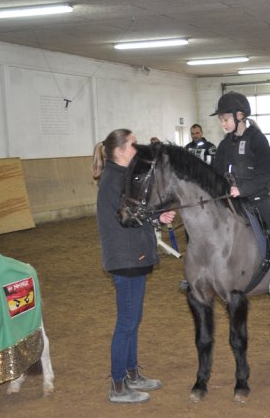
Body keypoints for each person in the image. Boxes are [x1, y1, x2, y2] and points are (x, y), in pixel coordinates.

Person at [92, 129, 175, 404]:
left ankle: (132, 374)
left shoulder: (121, 175)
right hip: (125, 257)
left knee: (132, 320)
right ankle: (118, 385)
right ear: (120, 151)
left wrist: (157, 216)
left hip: (131, 257)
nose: (136, 147)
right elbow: (127, 217)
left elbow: (133, 210)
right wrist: (155, 216)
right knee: (126, 322)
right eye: (132, 144)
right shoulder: (114, 178)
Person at [212, 91, 270, 297]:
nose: (223, 124)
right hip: (229, 198)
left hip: (255, 197)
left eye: (225, 119)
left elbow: (265, 175)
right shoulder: (224, 144)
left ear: (240, 116)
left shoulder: (258, 140)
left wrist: (242, 189)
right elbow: (215, 171)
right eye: (221, 120)